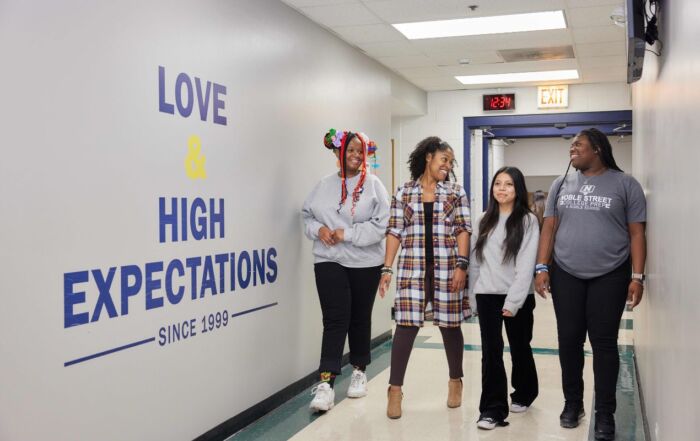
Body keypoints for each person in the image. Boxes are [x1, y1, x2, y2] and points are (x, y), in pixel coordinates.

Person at [534, 128, 647, 441]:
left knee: (604, 344)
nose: (572, 149)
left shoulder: (625, 184)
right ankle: (573, 404)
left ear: (597, 148)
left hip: (610, 274)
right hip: (566, 273)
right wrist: (542, 266)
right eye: (571, 145)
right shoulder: (561, 184)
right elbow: (549, 229)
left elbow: (637, 234)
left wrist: (637, 276)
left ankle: (605, 413)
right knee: (569, 340)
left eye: (578, 145)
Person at [378, 136, 472, 419]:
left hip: (447, 268)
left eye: (451, 162)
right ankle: (395, 390)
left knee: (450, 326)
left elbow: (463, 229)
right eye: (444, 159)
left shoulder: (455, 191)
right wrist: (386, 268)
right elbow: (394, 230)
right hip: (413, 269)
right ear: (429, 157)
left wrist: (462, 264)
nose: (448, 165)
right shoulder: (404, 191)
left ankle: (455, 380)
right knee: (405, 327)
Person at [302, 129, 390, 413]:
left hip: (365, 262)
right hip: (328, 259)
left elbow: (381, 226)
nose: (354, 155)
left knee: (359, 318)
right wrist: (322, 230)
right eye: (350, 150)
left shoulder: (374, 185)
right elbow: (307, 216)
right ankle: (326, 383)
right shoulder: (322, 185)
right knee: (335, 318)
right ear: (339, 153)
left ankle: (359, 371)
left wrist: (346, 234)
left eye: (359, 151)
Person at [468, 166, 540, 430]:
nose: (502, 188)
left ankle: (524, 392)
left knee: (520, 347)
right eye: (498, 183)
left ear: (517, 189)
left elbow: (525, 264)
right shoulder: (483, 219)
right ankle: (492, 410)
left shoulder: (527, 221)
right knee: (491, 352)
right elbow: (475, 262)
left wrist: (513, 302)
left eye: (508, 184)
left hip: (517, 295)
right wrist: (473, 296)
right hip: (487, 294)